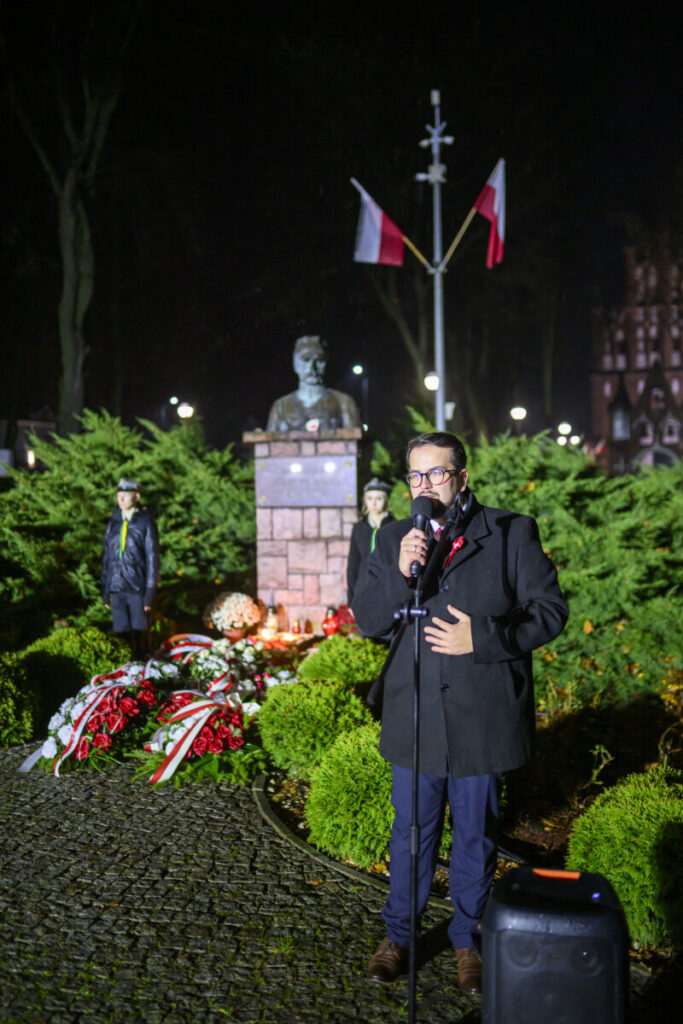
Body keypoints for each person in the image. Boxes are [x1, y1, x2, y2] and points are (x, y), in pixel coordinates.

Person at [352, 432, 568, 995]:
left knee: (475, 835)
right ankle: (398, 934)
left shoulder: (509, 532)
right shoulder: (397, 538)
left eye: (437, 475)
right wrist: (400, 573)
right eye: (416, 478)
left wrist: (487, 636)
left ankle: (468, 939)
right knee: (411, 833)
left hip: (481, 714)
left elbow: (549, 611)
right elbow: (369, 620)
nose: (425, 488)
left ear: (462, 477)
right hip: (416, 714)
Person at [101, 478, 160, 659]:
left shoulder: (145, 523)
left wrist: (149, 593)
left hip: (137, 588)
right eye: (119, 496)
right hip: (117, 586)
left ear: (137, 496)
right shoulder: (114, 523)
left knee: (140, 632)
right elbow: (107, 558)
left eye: (126, 496)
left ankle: (144, 673)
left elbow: (152, 559)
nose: (121, 500)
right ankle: (125, 673)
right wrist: (105, 589)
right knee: (121, 633)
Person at [266, 335, 361, 432]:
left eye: (319, 360)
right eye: (306, 360)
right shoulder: (280, 407)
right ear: (295, 364)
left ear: (326, 363)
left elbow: (355, 442)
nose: (312, 368)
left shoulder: (344, 403)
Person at [346, 477, 393, 605]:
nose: (374, 503)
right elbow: (353, 565)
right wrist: (351, 600)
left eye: (379, 498)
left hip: (386, 591)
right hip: (363, 591)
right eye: (370, 498)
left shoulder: (393, 527)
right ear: (365, 501)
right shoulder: (359, 528)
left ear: (386, 500)